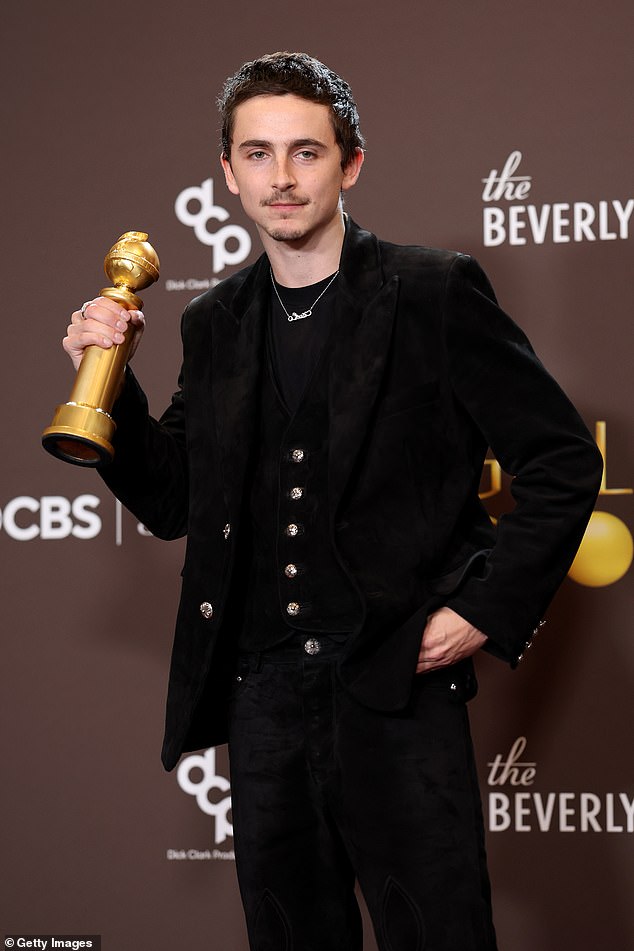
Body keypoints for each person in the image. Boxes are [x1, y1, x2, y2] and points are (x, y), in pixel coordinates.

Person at [63, 52, 602, 951]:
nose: (282, 177)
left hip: (394, 691)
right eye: (259, 154)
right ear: (228, 173)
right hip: (260, 701)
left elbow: (560, 462)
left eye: (306, 152)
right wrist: (107, 384)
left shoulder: (433, 291)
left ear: (350, 164)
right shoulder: (215, 322)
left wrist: (482, 608)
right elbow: (172, 500)